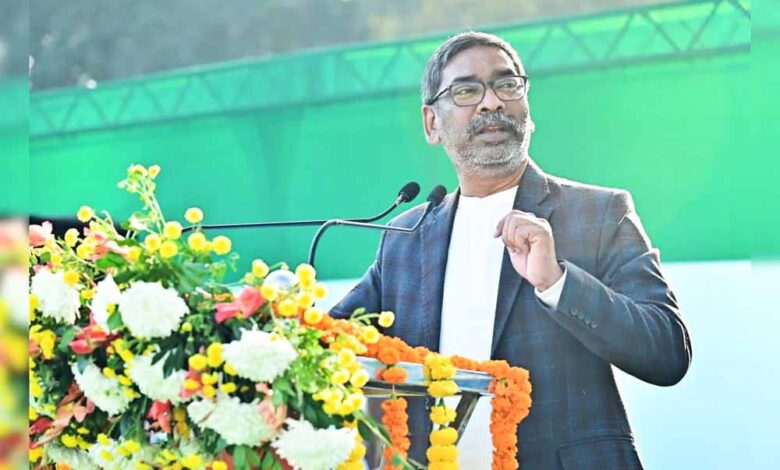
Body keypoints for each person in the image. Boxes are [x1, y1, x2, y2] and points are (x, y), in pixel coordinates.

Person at [331, 31, 692, 469]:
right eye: (467, 91)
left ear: (527, 106)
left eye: (507, 84)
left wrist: (557, 282)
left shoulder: (598, 213)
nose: (491, 103)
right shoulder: (406, 235)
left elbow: (667, 353)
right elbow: (332, 339)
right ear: (431, 123)